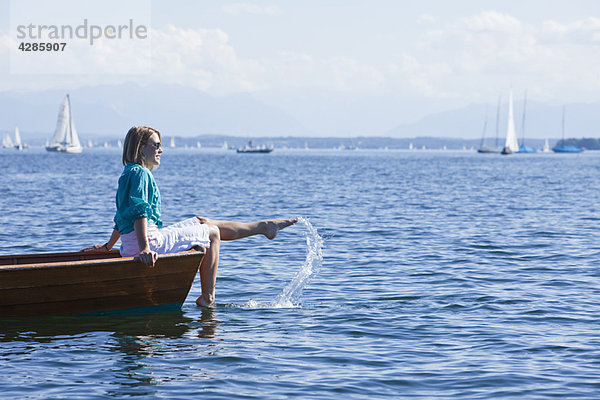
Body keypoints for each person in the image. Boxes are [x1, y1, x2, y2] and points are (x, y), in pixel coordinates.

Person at [83, 126, 297, 307]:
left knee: (201, 222)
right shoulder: (140, 173)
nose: (161, 150)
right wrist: (145, 249)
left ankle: (264, 227)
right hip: (149, 243)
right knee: (212, 234)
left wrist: (108, 246)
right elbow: (139, 213)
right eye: (156, 145)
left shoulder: (129, 172)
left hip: (138, 241)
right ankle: (208, 298)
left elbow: (122, 216)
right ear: (140, 148)